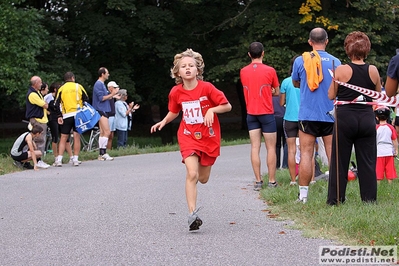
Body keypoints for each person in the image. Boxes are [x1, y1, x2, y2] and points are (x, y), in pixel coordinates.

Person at [150, 48, 232, 231]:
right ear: (177, 72)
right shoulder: (176, 92)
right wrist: (163, 121)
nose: (187, 69)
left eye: (191, 66)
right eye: (183, 66)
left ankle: (194, 208)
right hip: (188, 136)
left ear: (198, 70)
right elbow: (174, 110)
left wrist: (211, 110)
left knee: (203, 178)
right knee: (192, 174)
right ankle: (192, 215)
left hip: (208, 137)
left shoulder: (207, 88)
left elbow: (227, 106)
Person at [327, 31, 381, 205]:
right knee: (367, 161)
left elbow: (330, 95)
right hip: (366, 118)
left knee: (340, 160)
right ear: (367, 49)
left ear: (348, 50)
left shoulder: (341, 69)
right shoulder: (372, 70)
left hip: (346, 118)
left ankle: (335, 199)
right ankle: (369, 200)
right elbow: (377, 95)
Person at [292, 27, 341, 203]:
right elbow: (340, 86)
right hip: (330, 113)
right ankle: (336, 195)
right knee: (332, 154)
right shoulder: (336, 62)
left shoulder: (300, 60)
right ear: (326, 41)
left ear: (310, 42)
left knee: (306, 153)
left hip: (308, 113)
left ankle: (303, 196)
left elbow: (296, 82)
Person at [239, 42, 280, 191]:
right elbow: (277, 91)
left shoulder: (243, 71)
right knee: (271, 148)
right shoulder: (270, 70)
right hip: (267, 113)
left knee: (255, 147)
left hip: (251, 113)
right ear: (263, 53)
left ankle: (258, 181)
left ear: (249, 54)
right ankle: (272, 181)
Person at [53, 72, 89, 167]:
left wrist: (59, 116)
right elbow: (86, 99)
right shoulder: (78, 86)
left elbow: (56, 104)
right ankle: (75, 159)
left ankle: (59, 159)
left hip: (67, 115)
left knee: (64, 137)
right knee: (76, 136)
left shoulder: (62, 88)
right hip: (78, 115)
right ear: (73, 78)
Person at [280, 55, 301, 185]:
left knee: (291, 149)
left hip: (289, 119)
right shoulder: (306, 80)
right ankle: (311, 178)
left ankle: (293, 180)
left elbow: (281, 102)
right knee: (306, 149)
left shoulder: (286, 82)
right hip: (304, 118)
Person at [44, 82, 75, 165]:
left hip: (62, 117)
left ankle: (71, 157)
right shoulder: (49, 97)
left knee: (65, 137)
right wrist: (47, 112)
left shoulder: (62, 96)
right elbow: (44, 105)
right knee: (55, 137)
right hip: (53, 118)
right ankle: (56, 157)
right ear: (55, 89)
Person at [92, 67, 119, 161]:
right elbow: (101, 98)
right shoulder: (98, 84)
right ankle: (103, 152)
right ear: (102, 74)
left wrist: (113, 95)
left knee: (103, 132)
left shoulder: (101, 84)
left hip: (102, 109)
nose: (108, 74)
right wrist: (112, 94)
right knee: (107, 131)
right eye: (107, 73)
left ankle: (101, 153)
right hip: (101, 109)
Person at [25, 75, 50, 169]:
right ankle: (38, 160)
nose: (41, 84)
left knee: (38, 140)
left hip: (41, 119)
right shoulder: (33, 94)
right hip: (38, 120)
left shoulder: (37, 92)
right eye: (40, 82)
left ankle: (34, 159)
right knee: (39, 140)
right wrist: (45, 105)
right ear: (35, 84)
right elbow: (44, 105)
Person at [375, 106, 398, 184]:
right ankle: (390, 184)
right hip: (388, 151)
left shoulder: (376, 128)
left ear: (377, 118)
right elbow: (394, 140)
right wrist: (396, 150)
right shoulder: (391, 128)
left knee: (378, 170)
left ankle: (378, 184)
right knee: (390, 169)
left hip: (379, 152)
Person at [273, 94, 287, 169]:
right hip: (284, 117)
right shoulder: (283, 93)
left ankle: (276, 165)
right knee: (286, 143)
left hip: (274, 118)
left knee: (276, 144)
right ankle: (285, 165)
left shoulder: (268, 94)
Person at [106, 81, 119, 150]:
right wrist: (113, 95)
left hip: (113, 116)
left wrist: (114, 95)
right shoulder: (107, 94)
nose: (115, 89)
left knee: (111, 135)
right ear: (110, 88)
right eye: (114, 88)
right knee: (108, 134)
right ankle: (105, 149)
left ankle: (109, 149)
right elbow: (107, 98)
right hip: (109, 116)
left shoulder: (111, 96)